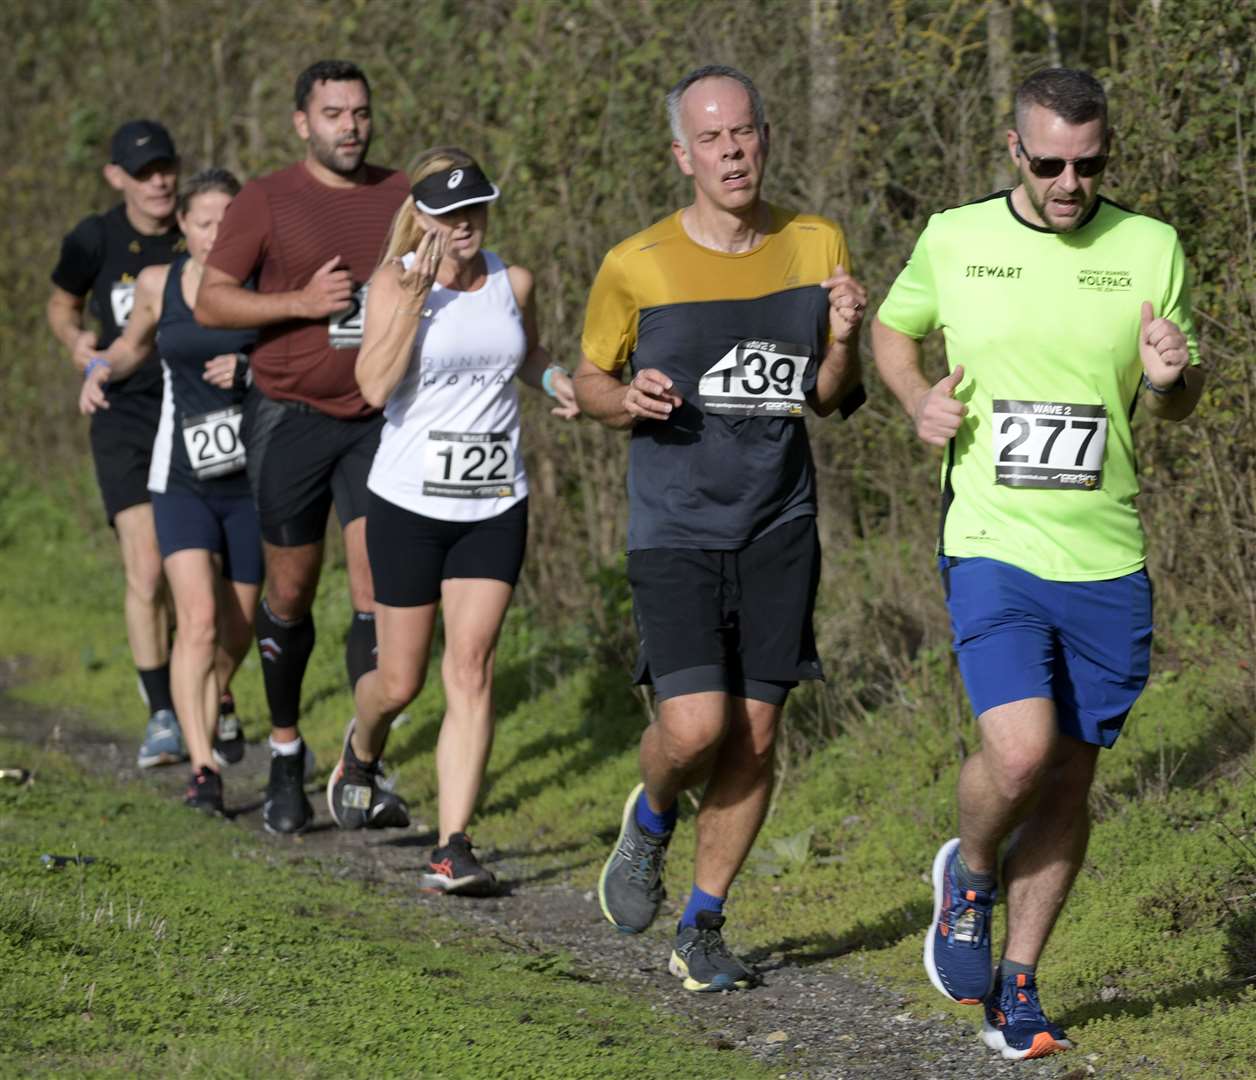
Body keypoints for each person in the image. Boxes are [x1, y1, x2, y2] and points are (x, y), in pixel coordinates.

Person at [872, 68, 1203, 1060]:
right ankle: (968, 875)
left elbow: (1178, 400)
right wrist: (914, 400)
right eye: (1050, 162)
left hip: (1106, 558)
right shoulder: (954, 237)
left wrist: (1173, 378)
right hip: (990, 545)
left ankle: (1018, 983)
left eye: (1088, 164)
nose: (1069, 183)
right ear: (1012, 151)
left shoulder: (1148, 247)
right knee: (1016, 752)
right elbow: (893, 333)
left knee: (1065, 780)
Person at [573, 65, 866, 991]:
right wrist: (626, 397)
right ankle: (652, 816)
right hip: (675, 525)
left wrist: (848, 336)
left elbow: (833, 398)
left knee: (758, 733)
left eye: (744, 132)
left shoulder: (815, 242)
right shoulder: (637, 263)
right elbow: (586, 381)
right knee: (695, 727)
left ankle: (703, 924)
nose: (732, 150)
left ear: (765, 138)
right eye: (711, 138)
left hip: (780, 520)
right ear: (681, 155)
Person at [326, 147, 578, 892]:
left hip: (494, 501)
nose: (464, 225)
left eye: (475, 211)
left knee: (470, 667)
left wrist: (556, 378)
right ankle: (361, 750)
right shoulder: (394, 283)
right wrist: (408, 301)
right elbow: (372, 387)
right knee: (398, 683)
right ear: (423, 216)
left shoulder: (513, 280)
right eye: (448, 213)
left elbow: (522, 353)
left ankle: (452, 843)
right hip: (406, 502)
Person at [194, 59, 411, 834]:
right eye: (333, 113)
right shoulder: (268, 199)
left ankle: (364, 762)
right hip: (289, 415)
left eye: (359, 111)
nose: (349, 126)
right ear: (302, 122)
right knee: (287, 594)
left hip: (377, 418)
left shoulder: (402, 195)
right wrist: (300, 302)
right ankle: (286, 750)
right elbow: (211, 298)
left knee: (376, 591)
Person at [81, 169, 261, 815]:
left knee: (236, 631)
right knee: (199, 619)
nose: (218, 234)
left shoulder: (264, 283)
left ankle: (211, 702)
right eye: (205, 221)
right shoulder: (161, 283)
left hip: (254, 482)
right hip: (181, 477)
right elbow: (132, 347)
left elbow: (301, 358)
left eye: (229, 221)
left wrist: (250, 368)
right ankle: (204, 767)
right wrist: (99, 369)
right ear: (182, 225)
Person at [47, 119, 187, 768]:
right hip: (122, 411)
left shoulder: (201, 232)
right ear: (116, 178)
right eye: (143, 172)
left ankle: (201, 685)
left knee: (199, 569)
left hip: (194, 408)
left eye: (166, 167)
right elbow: (61, 305)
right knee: (148, 563)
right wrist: (77, 344)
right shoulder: (94, 237)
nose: (159, 181)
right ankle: (161, 710)